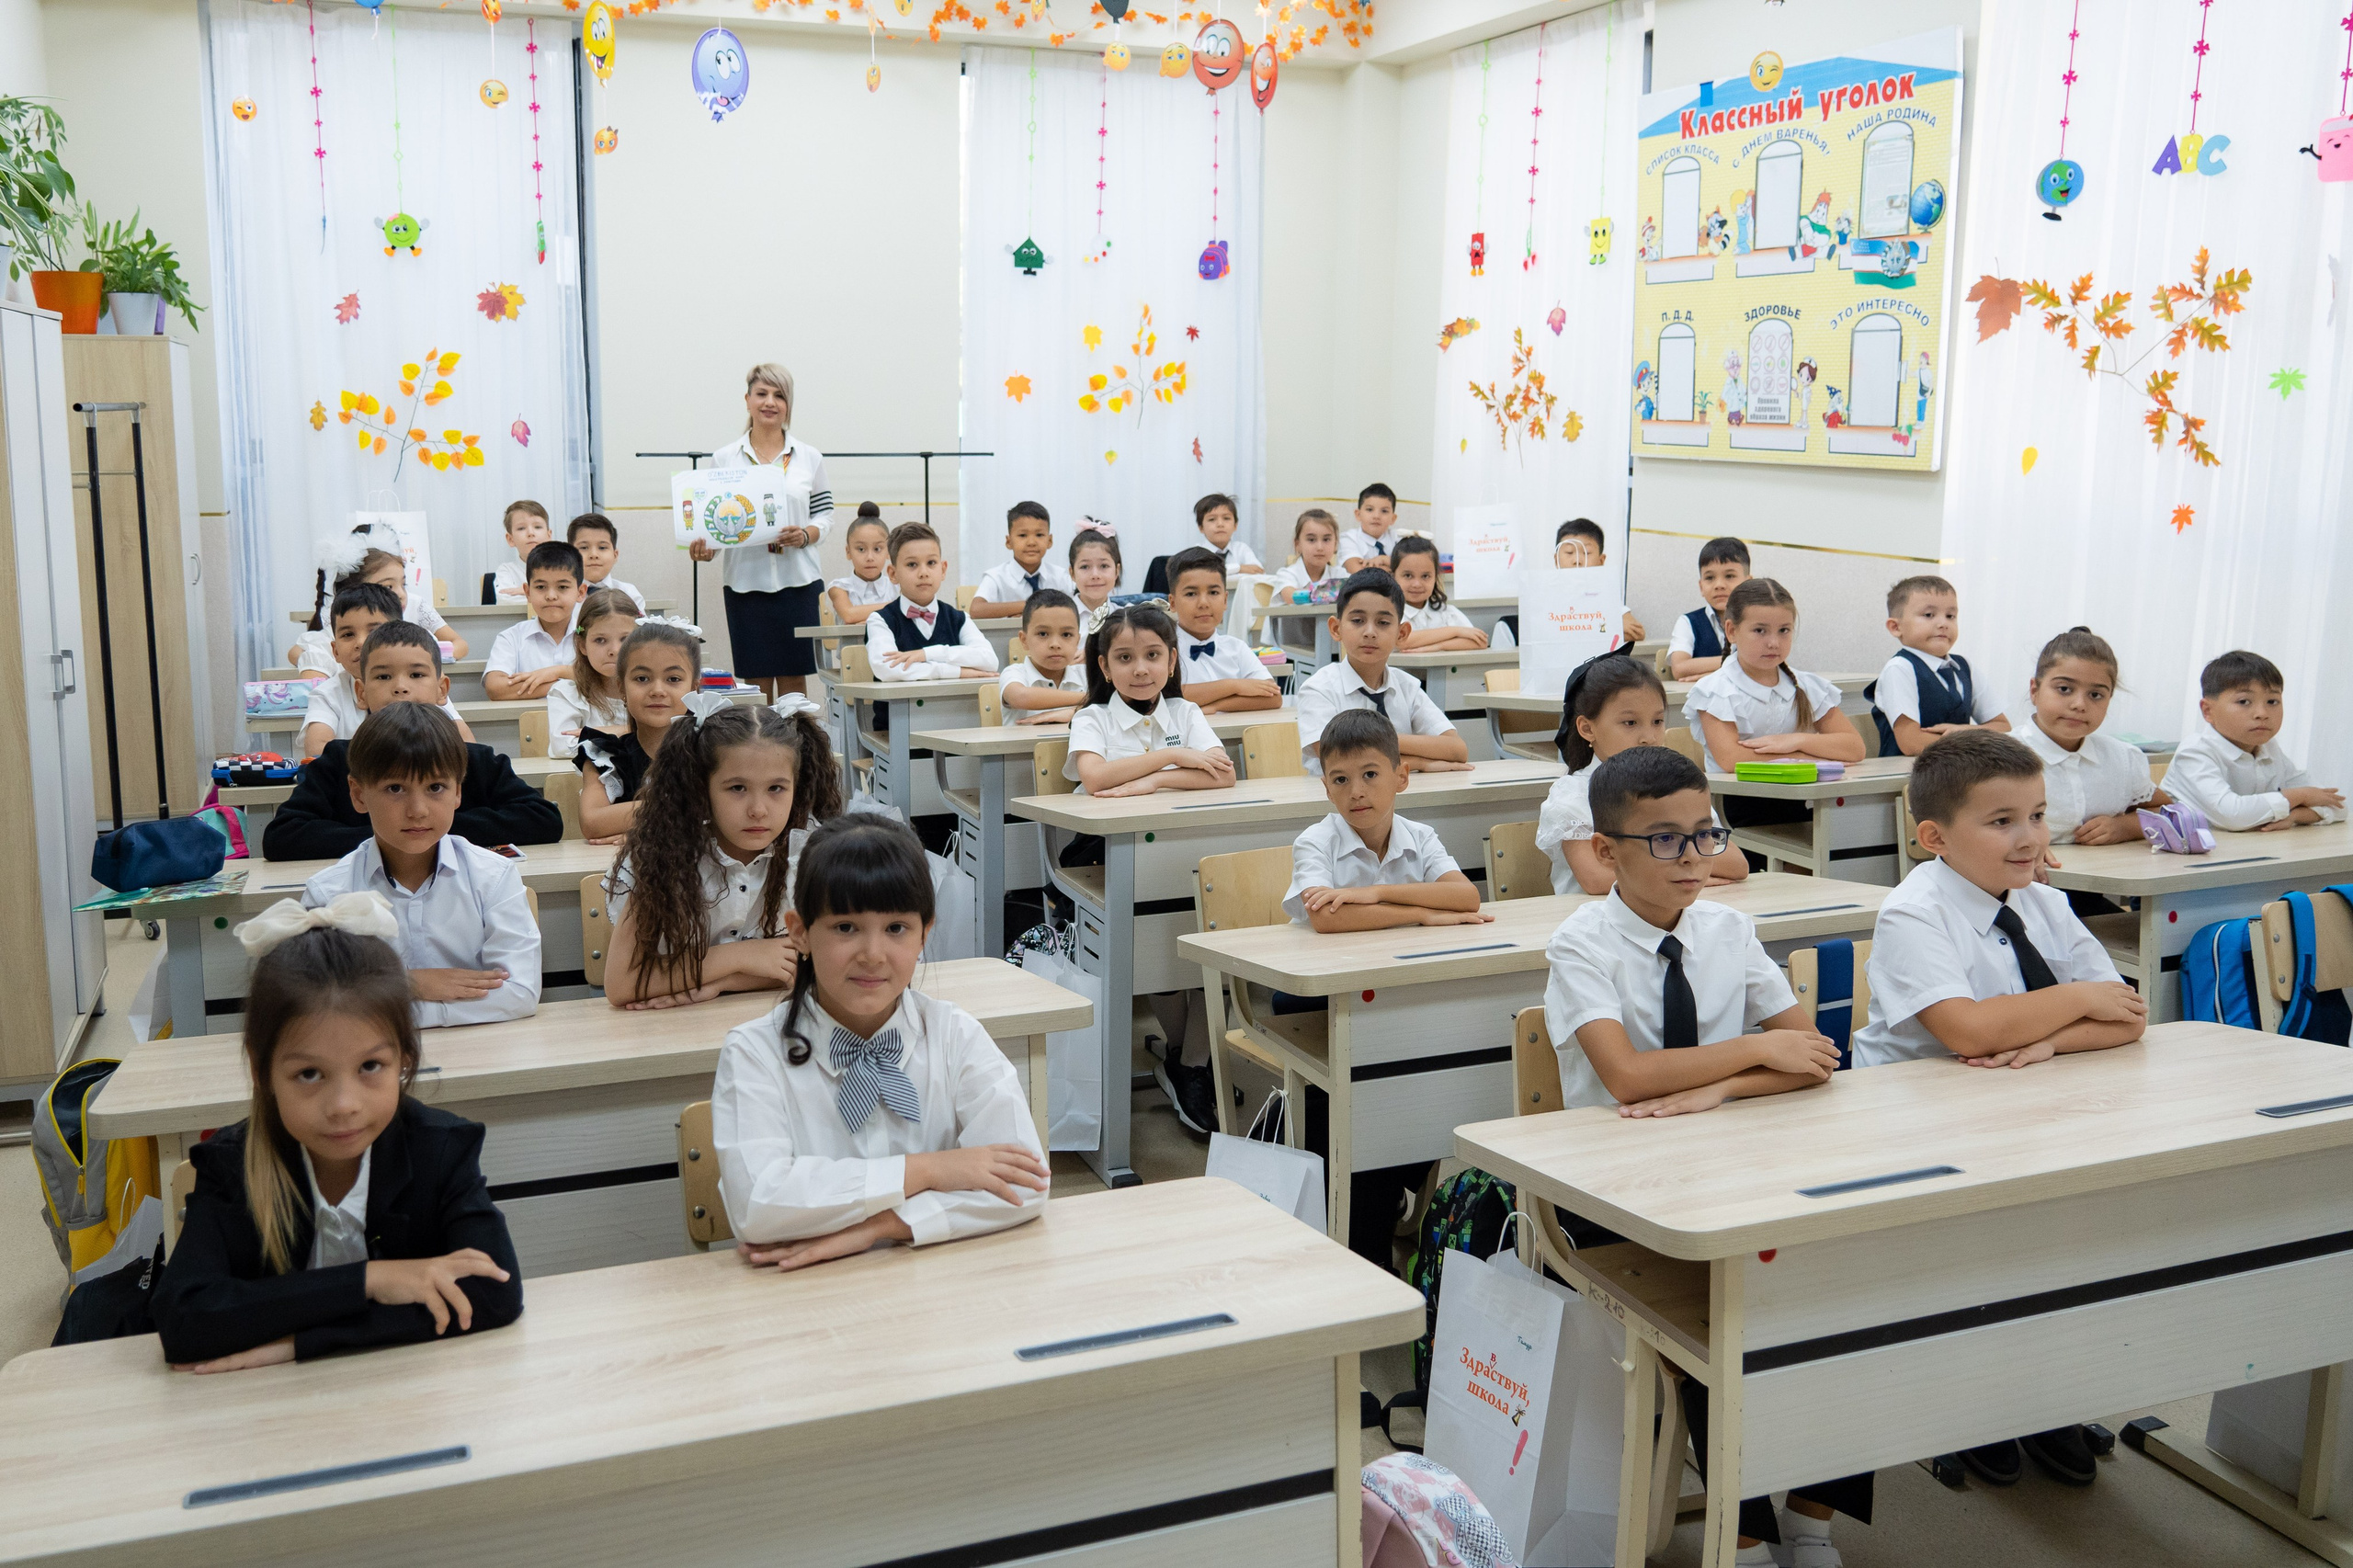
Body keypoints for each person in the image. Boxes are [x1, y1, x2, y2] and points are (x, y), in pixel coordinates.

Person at [1850, 729, 2147, 1491]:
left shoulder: (2043, 902)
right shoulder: (1914, 912)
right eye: (2002, 820)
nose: (2029, 839)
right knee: (1966, 1266)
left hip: (2025, 1100)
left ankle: (2038, 1397)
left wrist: (2051, 1043)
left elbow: (2129, 1017)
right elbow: (1969, 1030)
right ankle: (1963, 1407)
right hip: (1920, 1122)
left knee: (2058, 1249)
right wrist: (2076, 1002)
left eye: (2039, 816)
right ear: (1933, 837)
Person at [150, 898, 521, 1370]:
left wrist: (298, 1344)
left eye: (370, 1066)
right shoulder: (233, 1163)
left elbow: (494, 1294)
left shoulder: (441, 1149)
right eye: (309, 1074)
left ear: (405, 1058)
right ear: (261, 1068)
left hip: (407, 1401)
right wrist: (370, 1280)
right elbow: (184, 1320)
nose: (344, 1105)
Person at [711, 815, 1048, 1268]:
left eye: (896, 929)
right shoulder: (753, 1053)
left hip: (937, 1285)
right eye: (846, 927)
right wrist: (929, 1170)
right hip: (805, 1298)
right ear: (800, 932)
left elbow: (1026, 1184)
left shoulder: (954, 1034)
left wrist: (883, 1225)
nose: (872, 954)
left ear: (925, 933)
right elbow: (758, 1206)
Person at [299, 703, 542, 1028]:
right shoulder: (328, 893)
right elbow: (315, 1003)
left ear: (458, 792)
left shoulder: (494, 877)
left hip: (481, 1055)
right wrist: (408, 982)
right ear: (358, 795)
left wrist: (383, 998)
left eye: (435, 788)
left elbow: (520, 992)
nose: (418, 810)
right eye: (395, 788)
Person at [600, 703, 842, 1010]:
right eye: (737, 788)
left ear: (798, 787)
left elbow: (826, 966)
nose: (758, 809)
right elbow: (623, 984)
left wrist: (723, 982)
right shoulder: (661, 854)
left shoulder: (812, 852)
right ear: (703, 788)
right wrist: (739, 956)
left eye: (776, 788)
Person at [265, 623, 561, 861]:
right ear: (361, 692)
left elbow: (543, 819)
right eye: (382, 677)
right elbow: (283, 836)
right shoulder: (337, 760)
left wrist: (433, 831)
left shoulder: (476, 759)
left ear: (442, 688)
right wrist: (390, 836)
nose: (401, 687)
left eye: (417, 674)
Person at [1540, 653, 1743, 897]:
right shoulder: (1572, 796)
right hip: (1598, 923)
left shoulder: (1680, 787)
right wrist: (1683, 874)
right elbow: (1596, 880)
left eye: (1657, 721)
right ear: (1587, 728)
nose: (1649, 737)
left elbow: (1736, 863)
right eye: (1630, 723)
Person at [1688, 577, 1865, 858]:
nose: (1774, 642)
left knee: (1845, 846)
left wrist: (1794, 740)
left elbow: (1854, 748)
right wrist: (1808, 756)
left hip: (1803, 805)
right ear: (1731, 631)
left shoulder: (1805, 685)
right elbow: (1731, 759)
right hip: (1738, 811)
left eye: (1784, 631)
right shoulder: (1716, 690)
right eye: (1760, 630)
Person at [692, 362, 834, 702]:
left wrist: (805, 535)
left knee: (794, 682)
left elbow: (825, 515)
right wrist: (706, 548)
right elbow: (715, 522)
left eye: (779, 395)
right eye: (762, 394)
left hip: (799, 583)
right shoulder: (725, 458)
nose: (770, 402)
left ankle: (797, 755)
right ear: (748, 400)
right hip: (745, 584)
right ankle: (761, 755)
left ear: (788, 405)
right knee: (755, 685)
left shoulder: (808, 457)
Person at [1285, 710, 1487, 932]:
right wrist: (1420, 914)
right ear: (1328, 790)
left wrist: (1376, 893)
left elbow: (1467, 897)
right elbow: (1324, 917)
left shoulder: (1420, 836)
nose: (1356, 792)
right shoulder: (1315, 842)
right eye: (1340, 780)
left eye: (1370, 774)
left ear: (1401, 777)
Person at [1295, 570, 1468, 778]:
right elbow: (1338, 759)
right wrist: (1418, 762)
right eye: (1357, 620)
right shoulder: (1319, 689)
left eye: (1383, 623)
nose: (1370, 632)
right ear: (1336, 628)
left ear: (1401, 634)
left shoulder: (1407, 687)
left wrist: (1371, 741)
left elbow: (1457, 749)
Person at [2016, 627, 2165, 847]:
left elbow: (2169, 811)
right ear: (2034, 690)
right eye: (2064, 689)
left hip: (2101, 878)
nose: (2079, 705)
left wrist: (2125, 827)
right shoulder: (1999, 757)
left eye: (2095, 695)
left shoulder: (2121, 758)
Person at [2165, 650, 2346, 832]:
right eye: (2244, 702)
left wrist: (2294, 816)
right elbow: (2232, 815)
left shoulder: (2268, 748)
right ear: (2208, 711)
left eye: (2272, 701)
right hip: (2198, 856)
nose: (2262, 714)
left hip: (2255, 852)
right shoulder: (2194, 753)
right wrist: (2300, 796)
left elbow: (2338, 806)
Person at [1063, 604, 1231, 797]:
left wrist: (1156, 780)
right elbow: (1094, 779)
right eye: (1125, 657)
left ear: (1171, 661)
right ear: (1105, 667)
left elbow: (1225, 774)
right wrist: (1173, 755)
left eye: (1152, 655)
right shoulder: (1091, 718)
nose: (1141, 670)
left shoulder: (1185, 712)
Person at [299, 585, 472, 757]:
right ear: (335, 651)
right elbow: (316, 750)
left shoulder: (425, 688)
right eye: (348, 634)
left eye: (374, 631)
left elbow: (468, 746)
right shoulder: (327, 694)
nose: (360, 642)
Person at [576, 618, 703, 843]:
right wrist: (684, 812)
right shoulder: (605, 755)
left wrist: (651, 828)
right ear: (621, 688)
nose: (657, 690)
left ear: (694, 688)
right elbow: (592, 822)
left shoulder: (715, 748)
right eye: (642, 678)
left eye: (673, 679)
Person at [1869, 574, 2010, 756]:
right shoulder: (1900, 668)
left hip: (1959, 770)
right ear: (1896, 627)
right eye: (1929, 615)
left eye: (1951, 616)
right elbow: (1911, 743)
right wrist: (1972, 739)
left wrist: (1966, 732)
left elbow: (2004, 728)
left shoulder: (1965, 667)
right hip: (1909, 776)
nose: (1943, 623)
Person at [291, 532, 466, 667]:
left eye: (403, 584)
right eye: (388, 587)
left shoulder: (415, 604)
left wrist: (420, 659)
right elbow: (297, 652)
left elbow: (460, 644)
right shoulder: (345, 616)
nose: (400, 594)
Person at [863, 522, 999, 683]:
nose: (923, 573)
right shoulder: (880, 620)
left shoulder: (959, 618)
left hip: (952, 707)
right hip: (898, 708)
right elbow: (888, 669)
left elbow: (990, 660)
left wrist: (927, 654)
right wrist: (957, 672)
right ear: (893, 574)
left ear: (943, 569)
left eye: (931, 563)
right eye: (912, 564)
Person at [1165, 546, 1282, 714]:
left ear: (1225, 600)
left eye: (1213, 592)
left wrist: (1215, 707)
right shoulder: (1164, 649)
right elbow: (1170, 696)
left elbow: (1273, 697)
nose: (1204, 603)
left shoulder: (1237, 648)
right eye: (1191, 594)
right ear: (1173, 602)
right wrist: (1234, 685)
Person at [483, 540, 585, 702]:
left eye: (563, 587)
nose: (551, 595)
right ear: (527, 592)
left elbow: (605, 679)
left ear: (580, 592)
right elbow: (496, 688)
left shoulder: (592, 635)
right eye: (541, 587)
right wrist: (569, 683)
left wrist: (558, 672)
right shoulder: (511, 637)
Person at [547, 587, 641, 760]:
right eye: (600, 640)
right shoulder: (566, 693)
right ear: (582, 645)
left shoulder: (651, 689)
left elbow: (671, 735)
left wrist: (623, 730)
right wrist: (637, 733)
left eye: (625, 639)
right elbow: (563, 746)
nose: (614, 650)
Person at [970, 501, 1074, 619]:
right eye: (1023, 535)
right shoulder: (996, 577)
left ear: (1050, 541)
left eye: (1039, 535)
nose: (1031, 543)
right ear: (1009, 542)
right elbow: (976, 610)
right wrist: (1031, 606)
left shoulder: (1061, 577)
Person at [998, 589, 1086, 725]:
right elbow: (1020, 697)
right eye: (1043, 634)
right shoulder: (1015, 672)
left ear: (1077, 641)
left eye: (1066, 635)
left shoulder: (1086, 675)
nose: (1055, 644)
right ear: (1024, 640)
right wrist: (1087, 699)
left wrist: (1072, 713)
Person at [1552, 518, 1645, 646]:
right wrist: (1603, 626)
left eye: (1586, 553)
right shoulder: (1547, 599)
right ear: (1556, 559)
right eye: (1569, 552)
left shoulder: (1607, 600)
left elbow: (1637, 632)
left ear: (1601, 561)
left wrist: (1575, 628)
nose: (1577, 560)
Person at [1667, 536, 1749, 681]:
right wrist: (1739, 664)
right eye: (1710, 578)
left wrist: (1714, 673)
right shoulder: (1688, 622)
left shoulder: (1757, 621)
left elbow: (1766, 665)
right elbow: (1679, 668)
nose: (1719, 585)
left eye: (1729, 576)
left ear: (1748, 583)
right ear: (1701, 587)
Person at [1389, 535, 1486, 652]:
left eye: (1425, 576)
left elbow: (1480, 642)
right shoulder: (1388, 614)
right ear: (1393, 576)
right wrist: (1454, 631)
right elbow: (1400, 641)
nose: (1417, 584)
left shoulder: (1448, 613)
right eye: (1408, 576)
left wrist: (1436, 647)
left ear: (1435, 577)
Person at [1269, 509, 1346, 653]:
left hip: (1332, 648)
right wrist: (1322, 594)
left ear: (1336, 544)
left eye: (1327, 539)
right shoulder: (1288, 574)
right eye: (1311, 540)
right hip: (1293, 650)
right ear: (1297, 544)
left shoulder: (1340, 574)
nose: (1319, 547)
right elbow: (1289, 595)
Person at [826, 505, 895, 626]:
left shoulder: (897, 587)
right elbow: (849, 615)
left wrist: (865, 620)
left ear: (888, 551)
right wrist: (896, 607)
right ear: (848, 552)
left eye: (877, 549)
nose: (870, 557)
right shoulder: (839, 588)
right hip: (852, 646)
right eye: (861, 549)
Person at [567, 512, 644, 612]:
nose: (594, 554)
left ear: (615, 555)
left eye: (602, 547)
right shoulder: (563, 596)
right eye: (584, 547)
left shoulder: (630, 594)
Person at [1067, 524, 1123, 637]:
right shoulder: (1059, 616)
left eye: (1103, 566)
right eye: (1085, 567)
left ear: (1117, 571)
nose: (1095, 575)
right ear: (1072, 573)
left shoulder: (1125, 617)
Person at [490, 500, 551, 601]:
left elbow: (571, 598)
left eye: (537, 527)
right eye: (521, 528)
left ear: (549, 535)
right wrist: (546, 593)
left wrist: (528, 591)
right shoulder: (506, 570)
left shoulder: (563, 567)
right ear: (511, 539)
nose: (531, 533)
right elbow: (505, 600)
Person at [1193, 492, 1265, 575]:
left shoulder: (1242, 549)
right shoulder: (1195, 552)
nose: (1220, 524)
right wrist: (1239, 568)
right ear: (1201, 527)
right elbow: (1201, 573)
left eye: (1226, 518)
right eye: (1212, 519)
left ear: (1235, 525)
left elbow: (1259, 571)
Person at [1339, 482, 1404, 573]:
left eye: (1384, 511)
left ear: (1393, 518)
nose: (1376, 516)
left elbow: (1414, 567)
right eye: (1370, 509)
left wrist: (1384, 559)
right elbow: (1359, 573)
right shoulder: (1348, 539)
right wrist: (1396, 567)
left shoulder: (1399, 538)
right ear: (1358, 514)